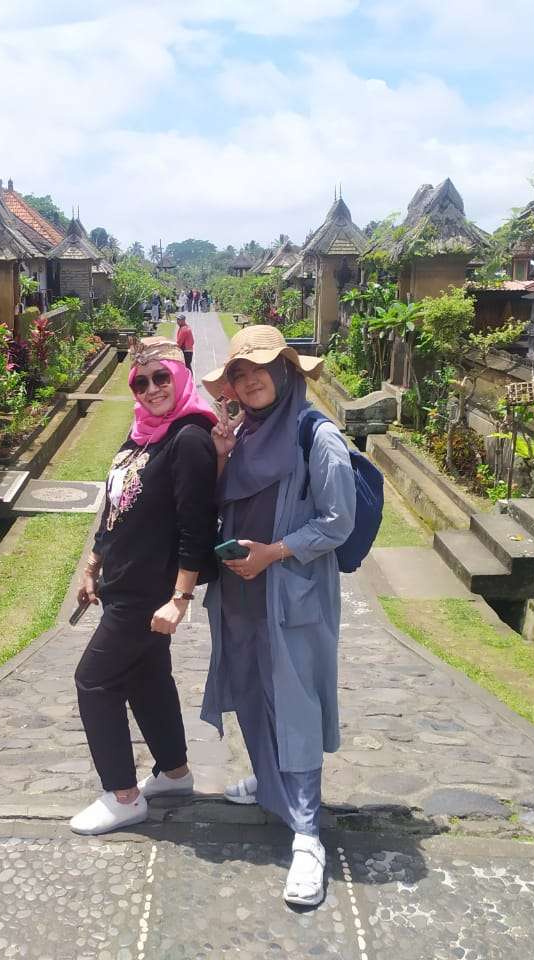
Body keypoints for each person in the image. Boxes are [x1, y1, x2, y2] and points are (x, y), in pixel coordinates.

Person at [200, 325, 357, 907]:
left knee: (294, 706)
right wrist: (220, 457)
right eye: (239, 373)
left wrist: (275, 552)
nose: (250, 381)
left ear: (287, 371)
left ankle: (307, 835)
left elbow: (337, 523)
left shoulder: (317, 437)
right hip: (241, 594)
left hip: (291, 598)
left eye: (261, 368)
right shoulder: (243, 434)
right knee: (250, 689)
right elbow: (225, 502)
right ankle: (270, 780)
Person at [70, 337, 218, 836]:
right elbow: (115, 506)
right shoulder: (141, 434)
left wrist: (180, 598)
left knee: (94, 681)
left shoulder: (189, 437)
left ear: (180, 378)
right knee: (146, 678)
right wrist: (93, 564)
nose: (152, 389)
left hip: (148, 591)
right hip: (121, 581)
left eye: (161, 378)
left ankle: (123, 796)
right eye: (141, 382)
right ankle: (174, 773)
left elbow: (196, 526)